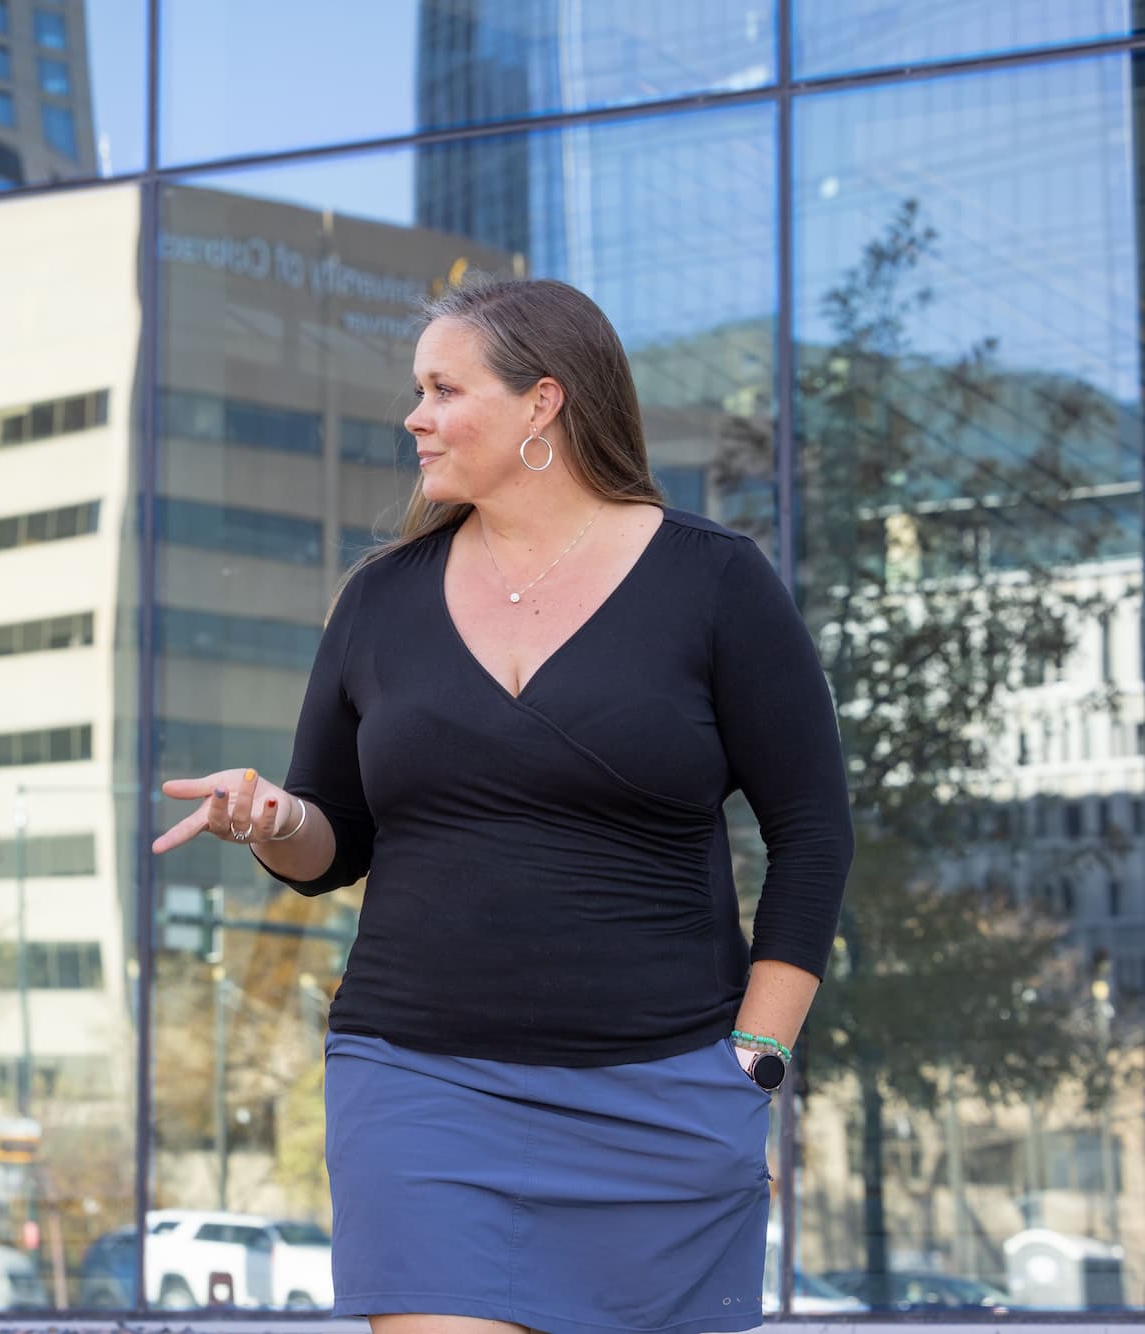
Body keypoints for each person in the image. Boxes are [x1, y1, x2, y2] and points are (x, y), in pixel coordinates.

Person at [153, 277, 851, 1334]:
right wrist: (270, 817)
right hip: (417, 1082)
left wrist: (755, 1057)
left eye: (442, 387)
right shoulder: (378, 598)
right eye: (414, 389)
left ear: (542, 404)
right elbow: (331, 839)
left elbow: (811, 828)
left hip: (663, 1093)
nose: (413, 415)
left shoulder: (713, 581)